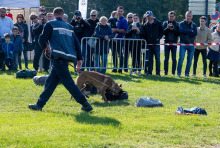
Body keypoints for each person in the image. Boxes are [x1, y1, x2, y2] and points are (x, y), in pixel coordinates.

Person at [28, 7, 93, 112]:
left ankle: (85, 104)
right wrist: (80, 58)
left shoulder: (50, 24)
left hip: (58, 57)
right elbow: (76, 43)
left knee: (69, 83)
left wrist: (46, 47)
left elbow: (41, 39)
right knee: (50, 83)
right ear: (63, 16)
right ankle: (39, 104)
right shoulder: (69, 27)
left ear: (53, 15)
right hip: (65, 58)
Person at [143, 11, 163, 76]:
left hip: (156, 44)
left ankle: (158, 73)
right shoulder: (145, 24)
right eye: (147, 16)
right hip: (149, 44)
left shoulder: (158, 23)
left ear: (153, 15)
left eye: (150, 16)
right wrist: (146, 40)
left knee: (157, 58)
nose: (149, 17)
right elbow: (144, 34)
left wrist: (158, 38)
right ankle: (149, 72)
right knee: (149, 59)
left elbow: (162, 31)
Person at [177, 11, 197, 77]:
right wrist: (190, 31)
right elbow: (181, 30)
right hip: (183, 44)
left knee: (190, 60)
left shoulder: (194, 25)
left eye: (189, 16)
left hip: (191, 44)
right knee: (181, 59)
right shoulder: (181, 23)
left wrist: (186, 31)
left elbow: (195, 33)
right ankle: (178, 73)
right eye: (187, 16)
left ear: (192, 17)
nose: (188, 17)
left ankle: (187, 73)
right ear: (185, 16)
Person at [111, 6, 128, 73]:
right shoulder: (114, 19)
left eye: (121, 11)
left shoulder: (124, 20)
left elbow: (124, 30)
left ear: (123, 12)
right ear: (117, 11)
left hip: (120, 40)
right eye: (118, 11)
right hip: (113, 39)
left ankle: (120, 68)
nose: (119, 12)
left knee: (120, 54)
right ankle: (115, 67)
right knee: (113, 54)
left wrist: (115, 30)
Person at [163, 11, 179, 76]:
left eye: (172, 16)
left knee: (174, 58)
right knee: (166, 58)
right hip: (166, 42)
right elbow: (162, 32)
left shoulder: (177, 24)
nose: (171, 17)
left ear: (174, 17)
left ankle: (173, 72)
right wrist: (167, 28)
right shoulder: (165, 23)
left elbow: (178, 33)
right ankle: (165, 72)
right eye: (170, 16)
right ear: (168, 16)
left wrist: (173, 29)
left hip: (174, 43)